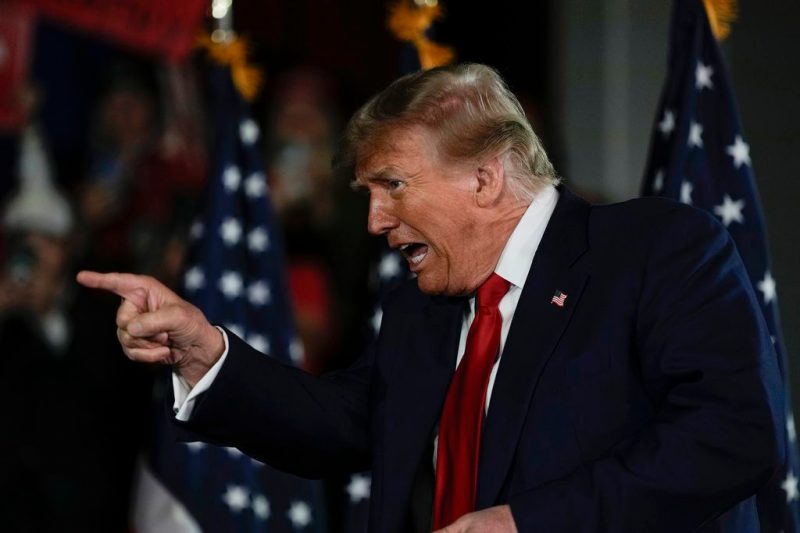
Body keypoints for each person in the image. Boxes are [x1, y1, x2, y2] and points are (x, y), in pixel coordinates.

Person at [78, 63, 784, 532]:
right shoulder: (422, 306)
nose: (375, 221)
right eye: (367, 193)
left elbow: (730, 435)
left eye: (393, 185)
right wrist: (206, 353)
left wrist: (526, 523)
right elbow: (348, 421)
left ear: (484, 178)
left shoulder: (653, 250)